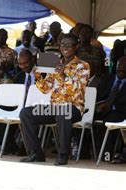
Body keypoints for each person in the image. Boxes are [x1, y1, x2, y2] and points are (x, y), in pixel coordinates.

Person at [19, 34, 90, 165]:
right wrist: (38, 75)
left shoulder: (83, 66)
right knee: (26, 113)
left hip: (73, 108)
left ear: (76, 47)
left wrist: (63, 76)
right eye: (63, 44)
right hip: (53, 108)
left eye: (69, 45)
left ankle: (63, 155)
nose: (65, 47)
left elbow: (77, 89)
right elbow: (46, 89)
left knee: (64, 112)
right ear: (59, 47)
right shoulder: (55, 63)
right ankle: (36, 153)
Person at [95, 56, 126, 162]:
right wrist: (98, 105)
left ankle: (107, 154)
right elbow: (98, 95)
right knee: (81, 117)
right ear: (115, 67)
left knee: (109, 120)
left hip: (119, 112)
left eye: (124, 68)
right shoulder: (107, 79)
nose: (121, 70)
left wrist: (111, 105)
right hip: (100, 109)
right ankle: (83, 151)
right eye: (119, 67)